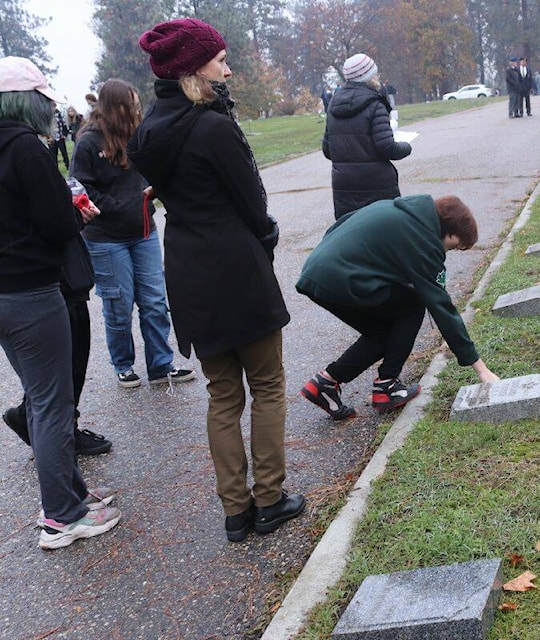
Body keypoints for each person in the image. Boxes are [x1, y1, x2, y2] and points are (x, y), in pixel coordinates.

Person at [129, 18, 304, 542]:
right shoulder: (213, 125)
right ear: (192, 68)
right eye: (220, 59)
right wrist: (266, 239)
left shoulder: (148, 132)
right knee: (268, 384)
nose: (228, 67)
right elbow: (253, 204)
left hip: (186, 265)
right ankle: (269, 500)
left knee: (222, 393)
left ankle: (235, 511)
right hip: (234, 265)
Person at [0, 56, 121, 549]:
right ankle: (61, 516)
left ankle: (71, 493)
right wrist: (77, 219)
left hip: (6, 292)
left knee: (43, 396)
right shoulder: (25, 148)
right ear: (29, 101)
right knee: (51, 404)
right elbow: (55, 222)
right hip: (30, 288)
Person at [296, 195, 499, 420]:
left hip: (315, 271)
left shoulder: (399, 208)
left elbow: (341, 223)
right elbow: (441, 307)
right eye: (451, 247)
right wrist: (480, 369)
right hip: (341, 279)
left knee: (384, 332)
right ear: (448, 231)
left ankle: (325, 383)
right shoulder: (424, 239)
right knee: (412, 306)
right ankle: (387, 386)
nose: (446, 253)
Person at [71, 79, 196, 389]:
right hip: (105, 238)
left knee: (154, 300)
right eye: (132, 104)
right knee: (119, 304)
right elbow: (79, 187)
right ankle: (123, 364)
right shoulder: (88, 142)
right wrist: (118, 205)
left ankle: (160, 364)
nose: (138, 109)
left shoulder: (138, 134)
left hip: (144, 233)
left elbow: (155, 168)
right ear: (115, 108)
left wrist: (158, 187)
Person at [323, 53, 411, 219]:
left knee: (353, 233)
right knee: (383, 231)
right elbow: (387, 148)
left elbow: (328, 149)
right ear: (369, 76)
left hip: (344, 185)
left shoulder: (333, 105)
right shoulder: (375, 104)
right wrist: (406, 146)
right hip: (377, 184)